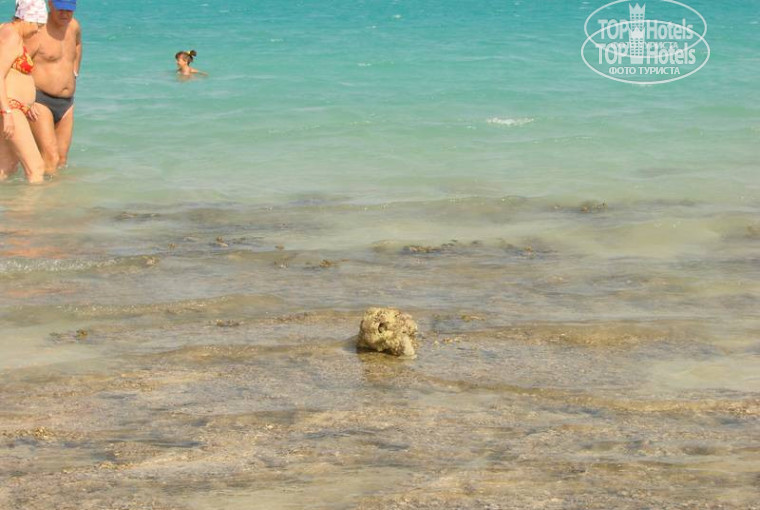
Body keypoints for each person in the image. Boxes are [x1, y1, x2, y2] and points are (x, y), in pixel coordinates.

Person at [29, 0, 81, 174]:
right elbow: (20, 61)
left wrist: (75, 71)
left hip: (67, 103)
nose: (65, 14)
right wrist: (26, 98)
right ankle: (42, 190)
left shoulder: (74, 26)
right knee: (50, 157)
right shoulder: (37, 29)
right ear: (50, 4)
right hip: (40, 100)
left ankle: (53, 191)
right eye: (61, 9)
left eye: (69, 10)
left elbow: (78, 44)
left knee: (61, 159)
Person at [0, 0, 48, 183]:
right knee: (36, 168)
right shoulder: (11, 35)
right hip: (10, 107)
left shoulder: (9, 32)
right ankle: (37, 203)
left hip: (14, 106)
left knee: (7, 167)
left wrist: (30, 101)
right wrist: (7, 112)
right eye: (38, 25)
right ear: (26, 19)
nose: (38, 30)